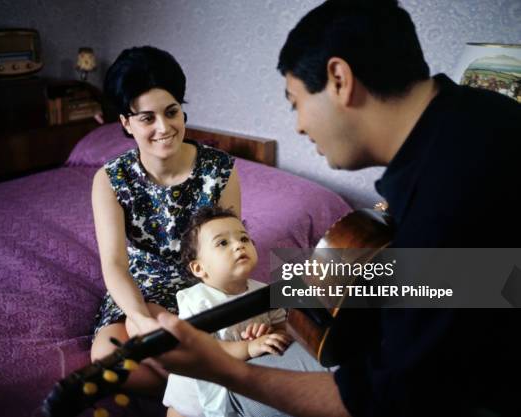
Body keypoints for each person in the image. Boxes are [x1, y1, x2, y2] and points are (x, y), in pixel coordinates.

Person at [153, 0, 521, 416]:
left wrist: (223, 370)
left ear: (339, 79)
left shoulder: (448, 196)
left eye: (296, 103)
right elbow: (490, 281)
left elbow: (390, 398)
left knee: (225, 387)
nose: (299, 126)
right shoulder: (481, 120)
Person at [90, 45, 242, 395]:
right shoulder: (110, 180)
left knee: (186, 345)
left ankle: (197, 380)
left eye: (172, 112)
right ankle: (204, 379)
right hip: (138, 287)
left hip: (202, 282)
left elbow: (227, 244)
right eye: (147, 118)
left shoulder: (220, 170)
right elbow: (114, 264)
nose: (164, 127)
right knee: (107, 361)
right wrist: (141, 317)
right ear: (126, 123)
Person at [162, 206, 293, 417]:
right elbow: (204, 349)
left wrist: (271, 335)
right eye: (223, 243)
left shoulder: (264, 292)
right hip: (194, 396)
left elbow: (282, 326)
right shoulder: (196, 301)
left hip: (239, 392)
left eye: (244, 239)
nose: (239, 246)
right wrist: (249, 347)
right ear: (199, 268)